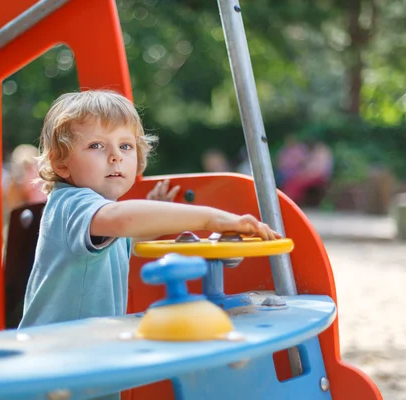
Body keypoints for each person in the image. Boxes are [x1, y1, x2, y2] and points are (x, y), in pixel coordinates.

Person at [19, 90, 280, 331]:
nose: (115, 156)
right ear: (61, 164)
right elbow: (121, 222)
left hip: (89, 352)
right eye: (96, 145)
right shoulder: (70, 203)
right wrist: (214, 219)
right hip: (55, 355)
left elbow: (125, 238)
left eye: (125, 146)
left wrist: (159, 213)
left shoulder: (100, 217)